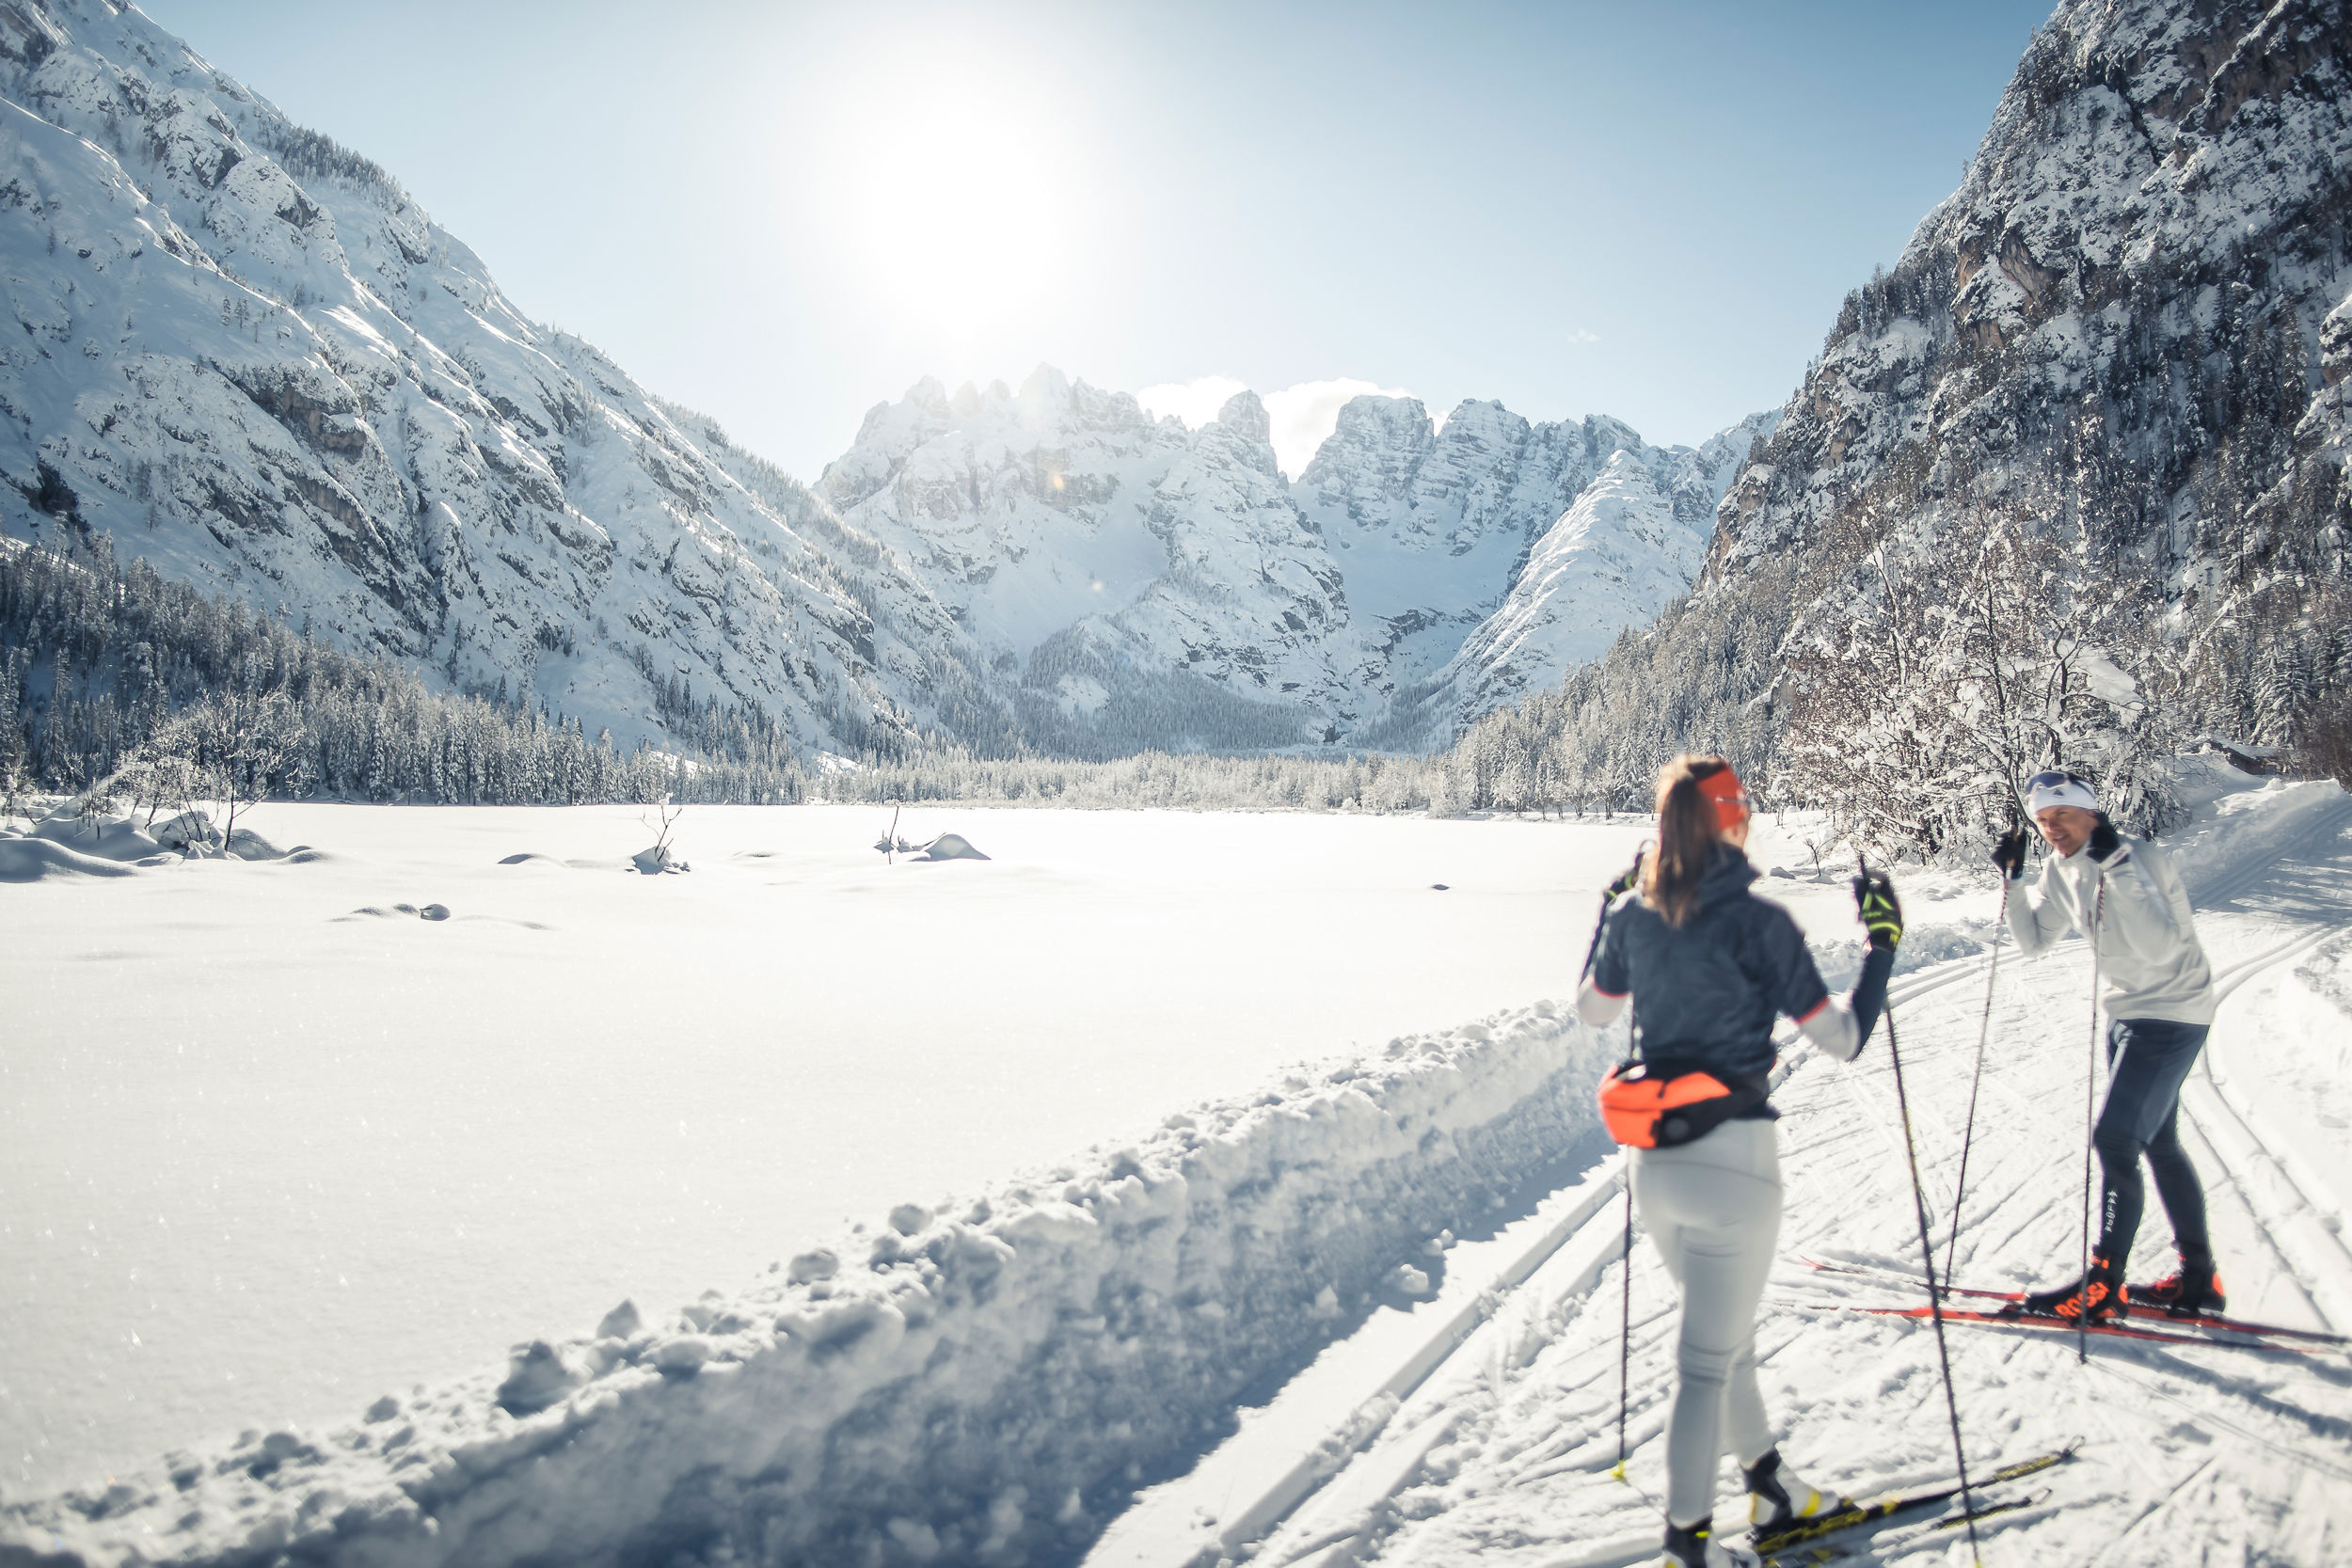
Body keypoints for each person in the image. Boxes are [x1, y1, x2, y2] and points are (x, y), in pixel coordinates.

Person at [1578, 755, 1901, 1568]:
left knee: (1722, 1342)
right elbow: (1844, 1039)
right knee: (1704, 1362)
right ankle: (1687, 1545)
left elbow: (1591, 1009)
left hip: (1654, 1168)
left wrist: (1610, 907)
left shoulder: (1636, 919)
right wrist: (1881, 948)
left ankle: (1771, 1485)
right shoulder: (1760, 924)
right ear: (1732, 822)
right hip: (1736, 1165)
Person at [1993, 768, 2222, 1320]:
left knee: (2115, 1140)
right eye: (2043, 821)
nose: (2053, 829)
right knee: (2159, 1145)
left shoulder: (2138, 858)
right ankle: (2199, 1281)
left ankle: (2104, 1284)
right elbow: (2034, 942)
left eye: (2063, 817)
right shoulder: (2059, 866)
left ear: (2091, 812)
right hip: (2127, 1014)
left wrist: (2114, 865)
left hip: (2172, 1012)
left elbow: (2162, 947)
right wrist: (2016, 880)